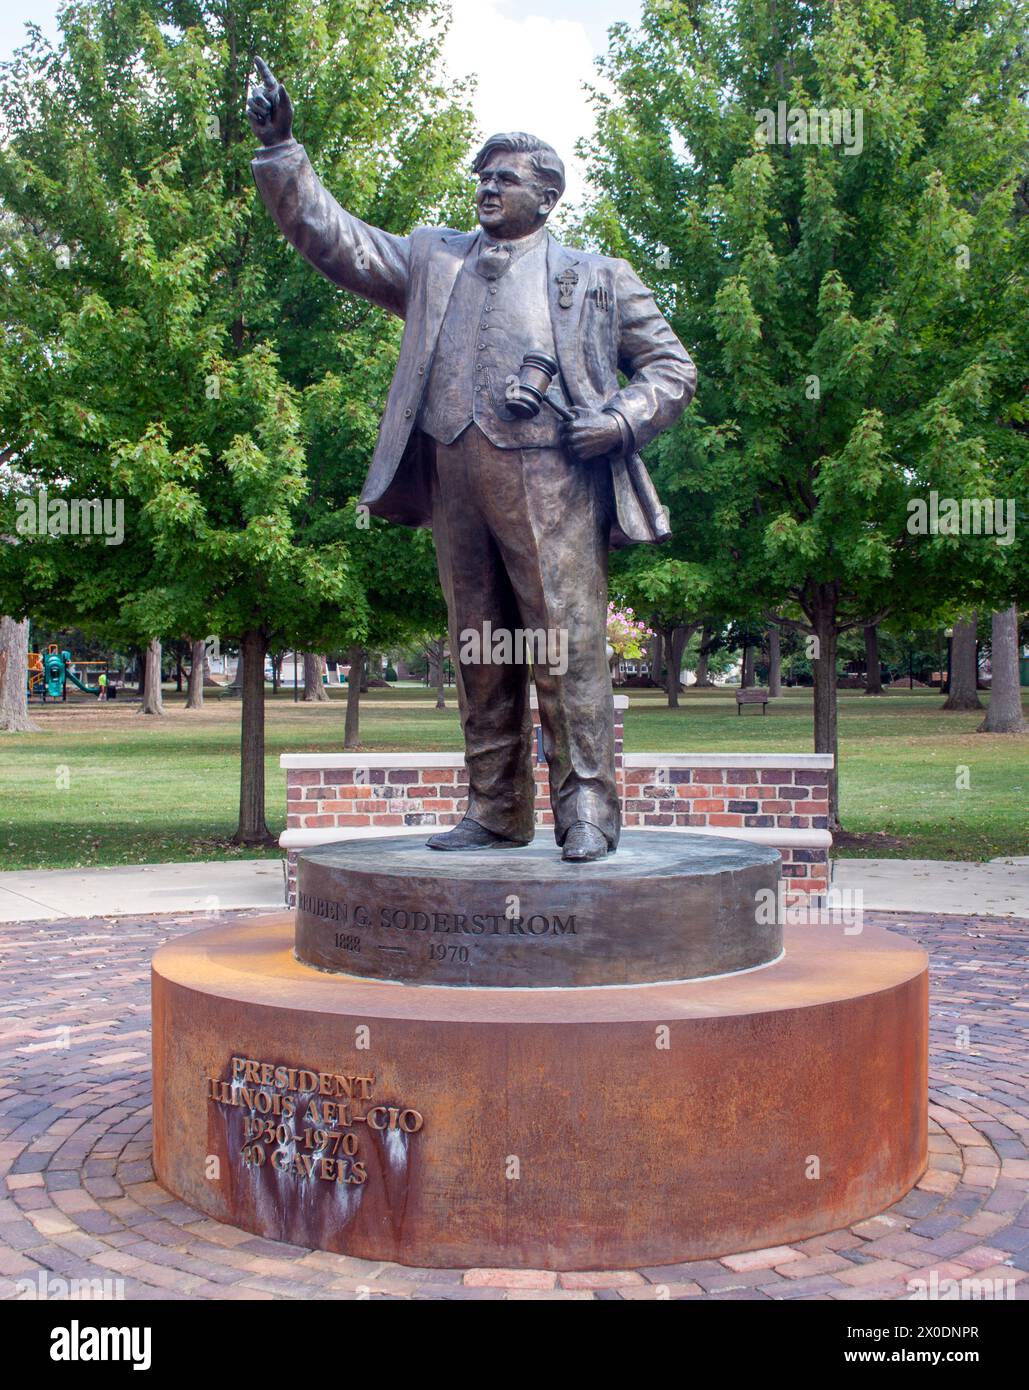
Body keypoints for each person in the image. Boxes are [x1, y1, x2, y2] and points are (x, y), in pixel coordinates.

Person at [247, 59, 696, 861]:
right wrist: (283, 152)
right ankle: (494, 807)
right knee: (478, 649)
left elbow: (670, 370)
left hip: (554, 479)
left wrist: (621, 422)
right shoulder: (430, 260)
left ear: (547, 197)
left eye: (506, 178)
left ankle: (586, 809)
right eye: (482, 176)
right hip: (454, 474)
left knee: (564, 646)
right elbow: (336, 240)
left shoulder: (596, 277)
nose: (487, 187)